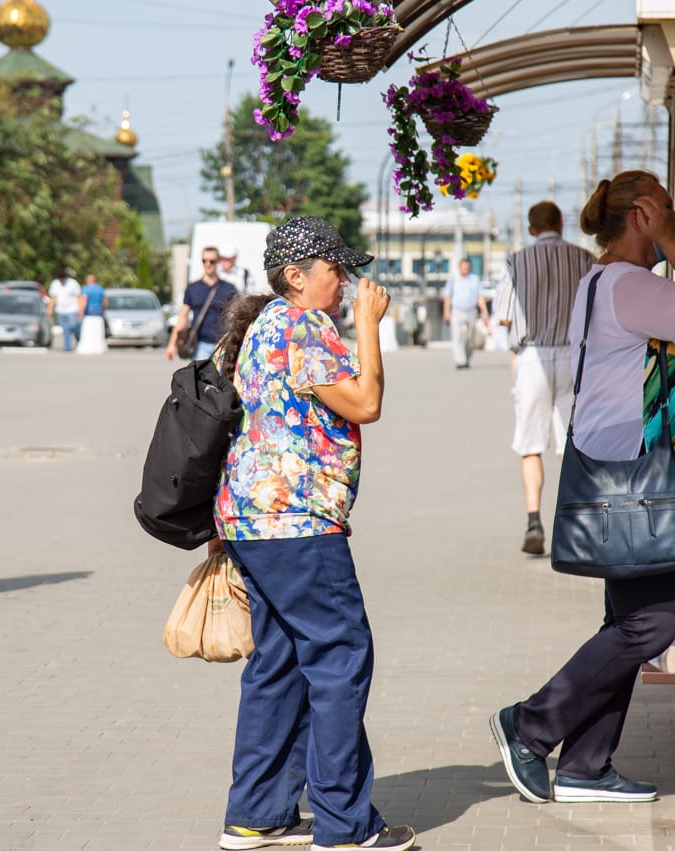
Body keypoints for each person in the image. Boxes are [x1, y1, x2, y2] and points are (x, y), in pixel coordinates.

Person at [490, 170, 675, 805]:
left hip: (608, 462)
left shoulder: (597, 280)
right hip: (635, 475)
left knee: (629, 618)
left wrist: (663, 237)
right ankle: (530, 725)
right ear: (640, 214)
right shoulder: (630, 283)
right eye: (668, 210)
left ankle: (587, 764)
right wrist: (670, 243)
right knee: (654, 626)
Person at [209, 216, 416, 851]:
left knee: (279, 663)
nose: (348, 280)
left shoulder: (266, 323)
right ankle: (345, 825)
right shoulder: (305, 325)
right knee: (340, 658)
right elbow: (365, 403)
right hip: (298, 521)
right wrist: (367, 327)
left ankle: (258, 814)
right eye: (336, 269)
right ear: (296, 277)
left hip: (250, 520)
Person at [503, 201, 597, 554]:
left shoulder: (515, 261)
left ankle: (533, 520)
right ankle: (573, 519)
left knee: (530, 445)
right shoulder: (584, 258)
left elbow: (505, 316)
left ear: (531, 229)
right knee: (569, 442)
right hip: (573, 355)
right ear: (561, 222)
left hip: (532, 357)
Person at [165, 245, 238, 361]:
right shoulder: (193, 288)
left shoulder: (229, 288)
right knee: (201, 378)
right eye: (204, 261)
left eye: (212, 261)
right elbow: (183, 317)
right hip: (199, 344)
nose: (208, 264)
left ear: (218, 261)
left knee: (221, 378)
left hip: (222, 344)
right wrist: (172, 344)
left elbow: (236, 317)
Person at [441, 257, 488, 368]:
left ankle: (466, 358)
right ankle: (460, 360)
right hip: (457, 310)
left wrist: (484, 311)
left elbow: (480, 296)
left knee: (470, 338)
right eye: (463, 267)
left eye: (467, 267)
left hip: (471, 310)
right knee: (456, 336)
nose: (465, 269)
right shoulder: (454, 279)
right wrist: (446, 312)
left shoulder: (474, 279)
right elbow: (447, 297)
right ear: (459, 267)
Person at [48, 269, 84, 352]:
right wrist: (50, 309)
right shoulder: (55, 284)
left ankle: (79, 340)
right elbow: (53, 298)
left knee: (74, 326)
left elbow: (79, 297)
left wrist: (81, 309)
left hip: (72, 309)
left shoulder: (73, 283)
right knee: (65, 329)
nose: (61, 281)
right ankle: (67, 347)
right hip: (61, 310)